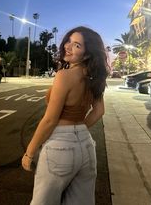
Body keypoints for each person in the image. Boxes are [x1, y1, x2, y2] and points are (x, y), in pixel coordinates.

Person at [21, 26, 109, 205]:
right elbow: (99, 110)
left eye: (77, 45)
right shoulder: (94, 77)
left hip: (60, 147)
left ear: (86, 55)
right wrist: (79, 129)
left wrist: (29, 152)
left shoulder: (64, 76)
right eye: (69, 41)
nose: (68, 47)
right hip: (86, 146)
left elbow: (50, 120)